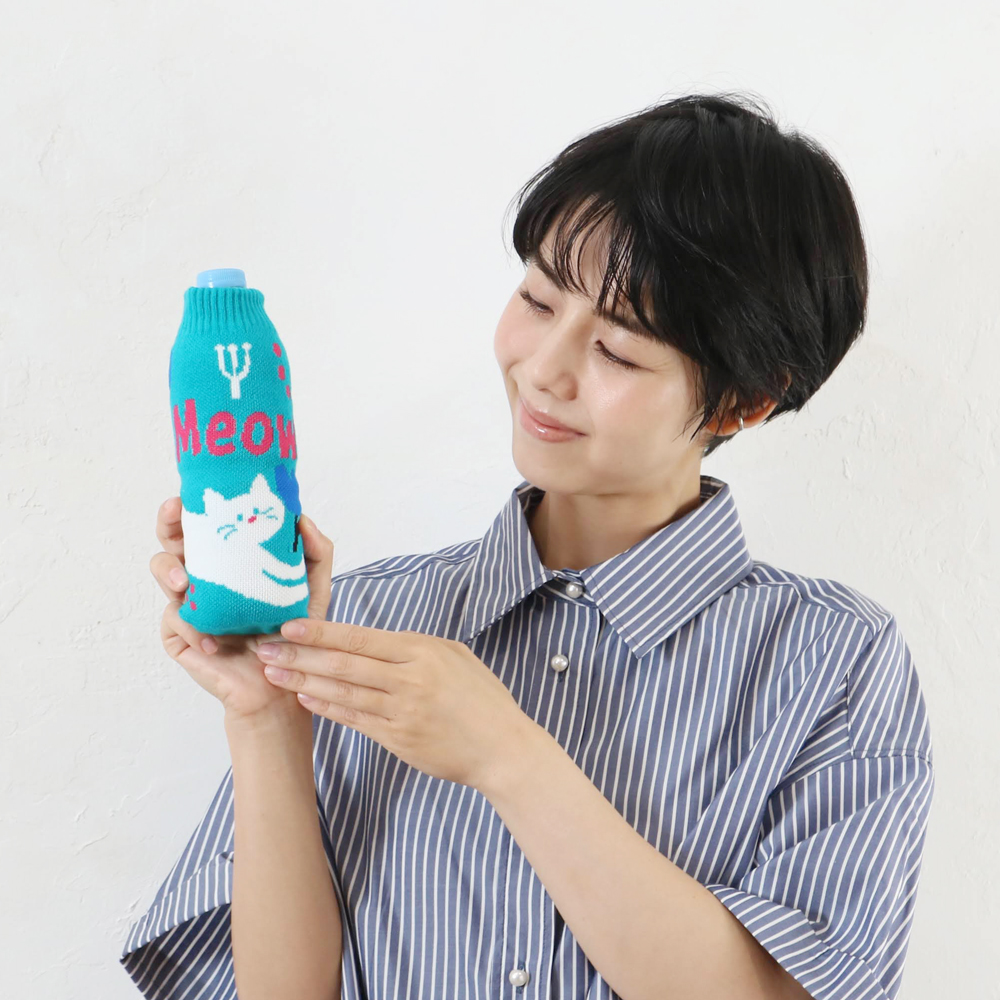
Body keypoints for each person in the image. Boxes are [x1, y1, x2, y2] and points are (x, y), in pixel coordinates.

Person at [120, 92, 934, 1000]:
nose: (544, 369)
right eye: (538, 299)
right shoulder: (365, 622)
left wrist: (506, 754)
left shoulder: (835, 663)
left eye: (619, 351)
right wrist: (265, 717)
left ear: (744, 401)